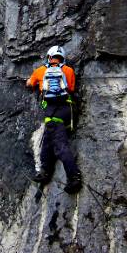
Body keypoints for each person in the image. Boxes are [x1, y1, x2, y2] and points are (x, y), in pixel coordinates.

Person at [26, 45, 82, 195]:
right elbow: (70, 88)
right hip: (67, 110)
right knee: (48, 139)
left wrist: (32, 82)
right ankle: (45, 171)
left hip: (52, 111)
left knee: (60, 145)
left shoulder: (40, 71)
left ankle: (74, 176)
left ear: (49, 57)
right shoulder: (69, 70)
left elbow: (30, 84)